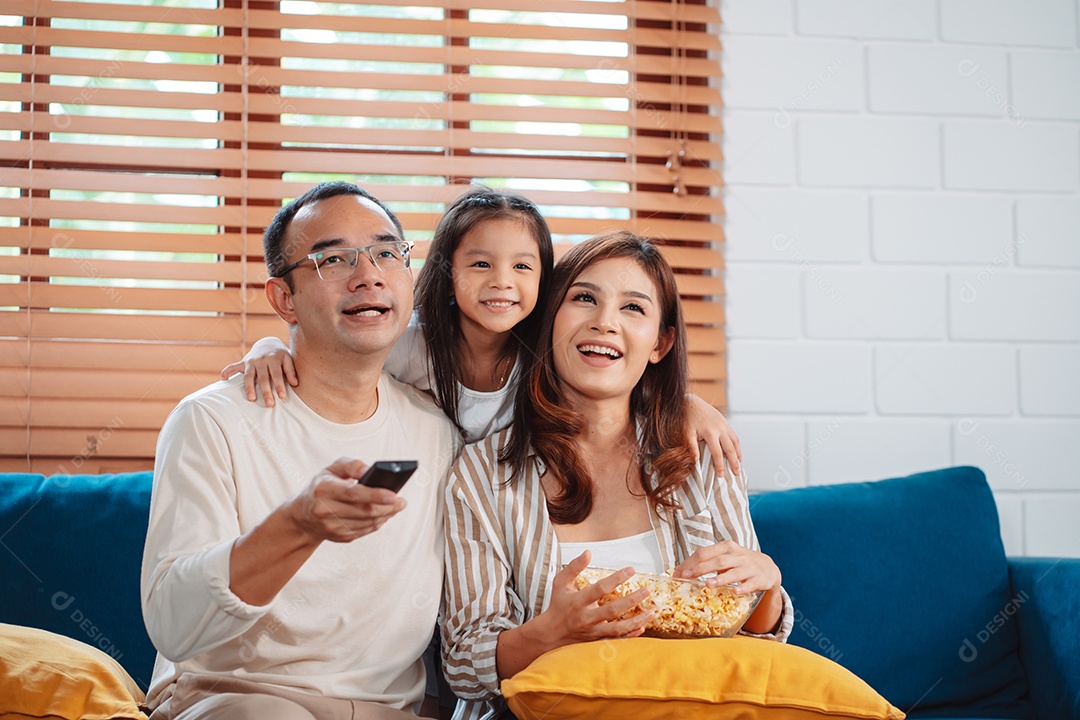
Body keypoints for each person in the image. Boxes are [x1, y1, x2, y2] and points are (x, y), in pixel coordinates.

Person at [141, 181, 461, 719]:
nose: (369, 275)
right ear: (283, 299)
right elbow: (175, 626)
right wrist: (299, 525)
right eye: (333, 259)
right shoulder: (211, 420)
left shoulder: (437, 430)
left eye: (387, 253)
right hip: (241, 700)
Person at [441, 231, 794, 720]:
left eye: (633, 308)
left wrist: (767, 589)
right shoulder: (480, 475)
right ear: (550, 320)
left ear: (660, 343)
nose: (604, 322)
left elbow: (757, 635)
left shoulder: (701, 454)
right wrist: (550, 633)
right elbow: (462, 663)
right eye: (584, 298)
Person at [222, 187, 745, 473]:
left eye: (522, 267)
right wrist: (271, 344)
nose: (501, 283)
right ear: (447, 274)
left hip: (497, 516)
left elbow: (613, 387)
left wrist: (684, 403)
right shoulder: (412, 346)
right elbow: (339, 358)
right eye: (480, 266)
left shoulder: (547, 354)